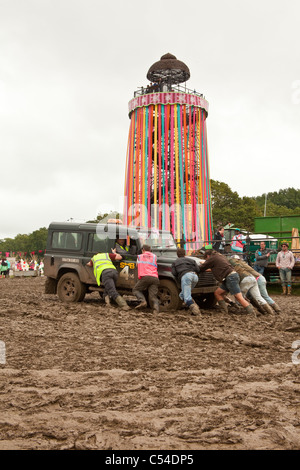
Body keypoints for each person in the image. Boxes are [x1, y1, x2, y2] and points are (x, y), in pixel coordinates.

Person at [198, 248, 254, 315]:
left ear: (208, 256)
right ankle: (224, 311)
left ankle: (251, 312)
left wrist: (201, 264)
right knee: (217, 293)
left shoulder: (212, 259)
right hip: (231, 276)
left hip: (230, 278)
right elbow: (216, 268)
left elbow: (202, 268)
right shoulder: (219, 256)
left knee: (238, 297)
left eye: (206, 259)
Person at [171, 248, 201, 316]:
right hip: (195, 277)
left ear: (177, 254)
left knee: (187, 297)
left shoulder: (175, 262)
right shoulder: (192, 260)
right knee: (182, 294)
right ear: (185, 254)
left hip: (186, 276)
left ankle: (196, 310)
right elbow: (198, 269)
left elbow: (174, 273)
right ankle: (190, 304)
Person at [132, 245, 160, 314]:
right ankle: (156, 310)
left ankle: (143, 301)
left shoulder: (140, 256)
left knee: (136, 290)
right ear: (150, 250)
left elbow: (136, 265)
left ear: (143, 249)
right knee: (153, 296)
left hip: (145, 277)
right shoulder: (154, 256)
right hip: (155, 278)